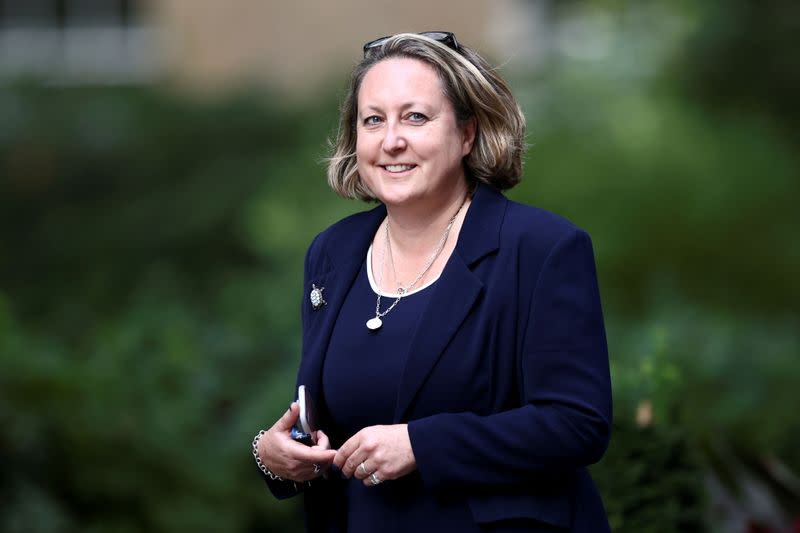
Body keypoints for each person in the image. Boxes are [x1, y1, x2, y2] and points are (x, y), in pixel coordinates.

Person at [253, 31, 612, 533]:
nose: (391, 139)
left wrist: (422, 445)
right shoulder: (332, 253)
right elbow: (329, 414)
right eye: (373, 119)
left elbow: (578, 424)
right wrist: (275, 455)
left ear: (467, 134)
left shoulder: (540, 248)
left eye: (415, 117)